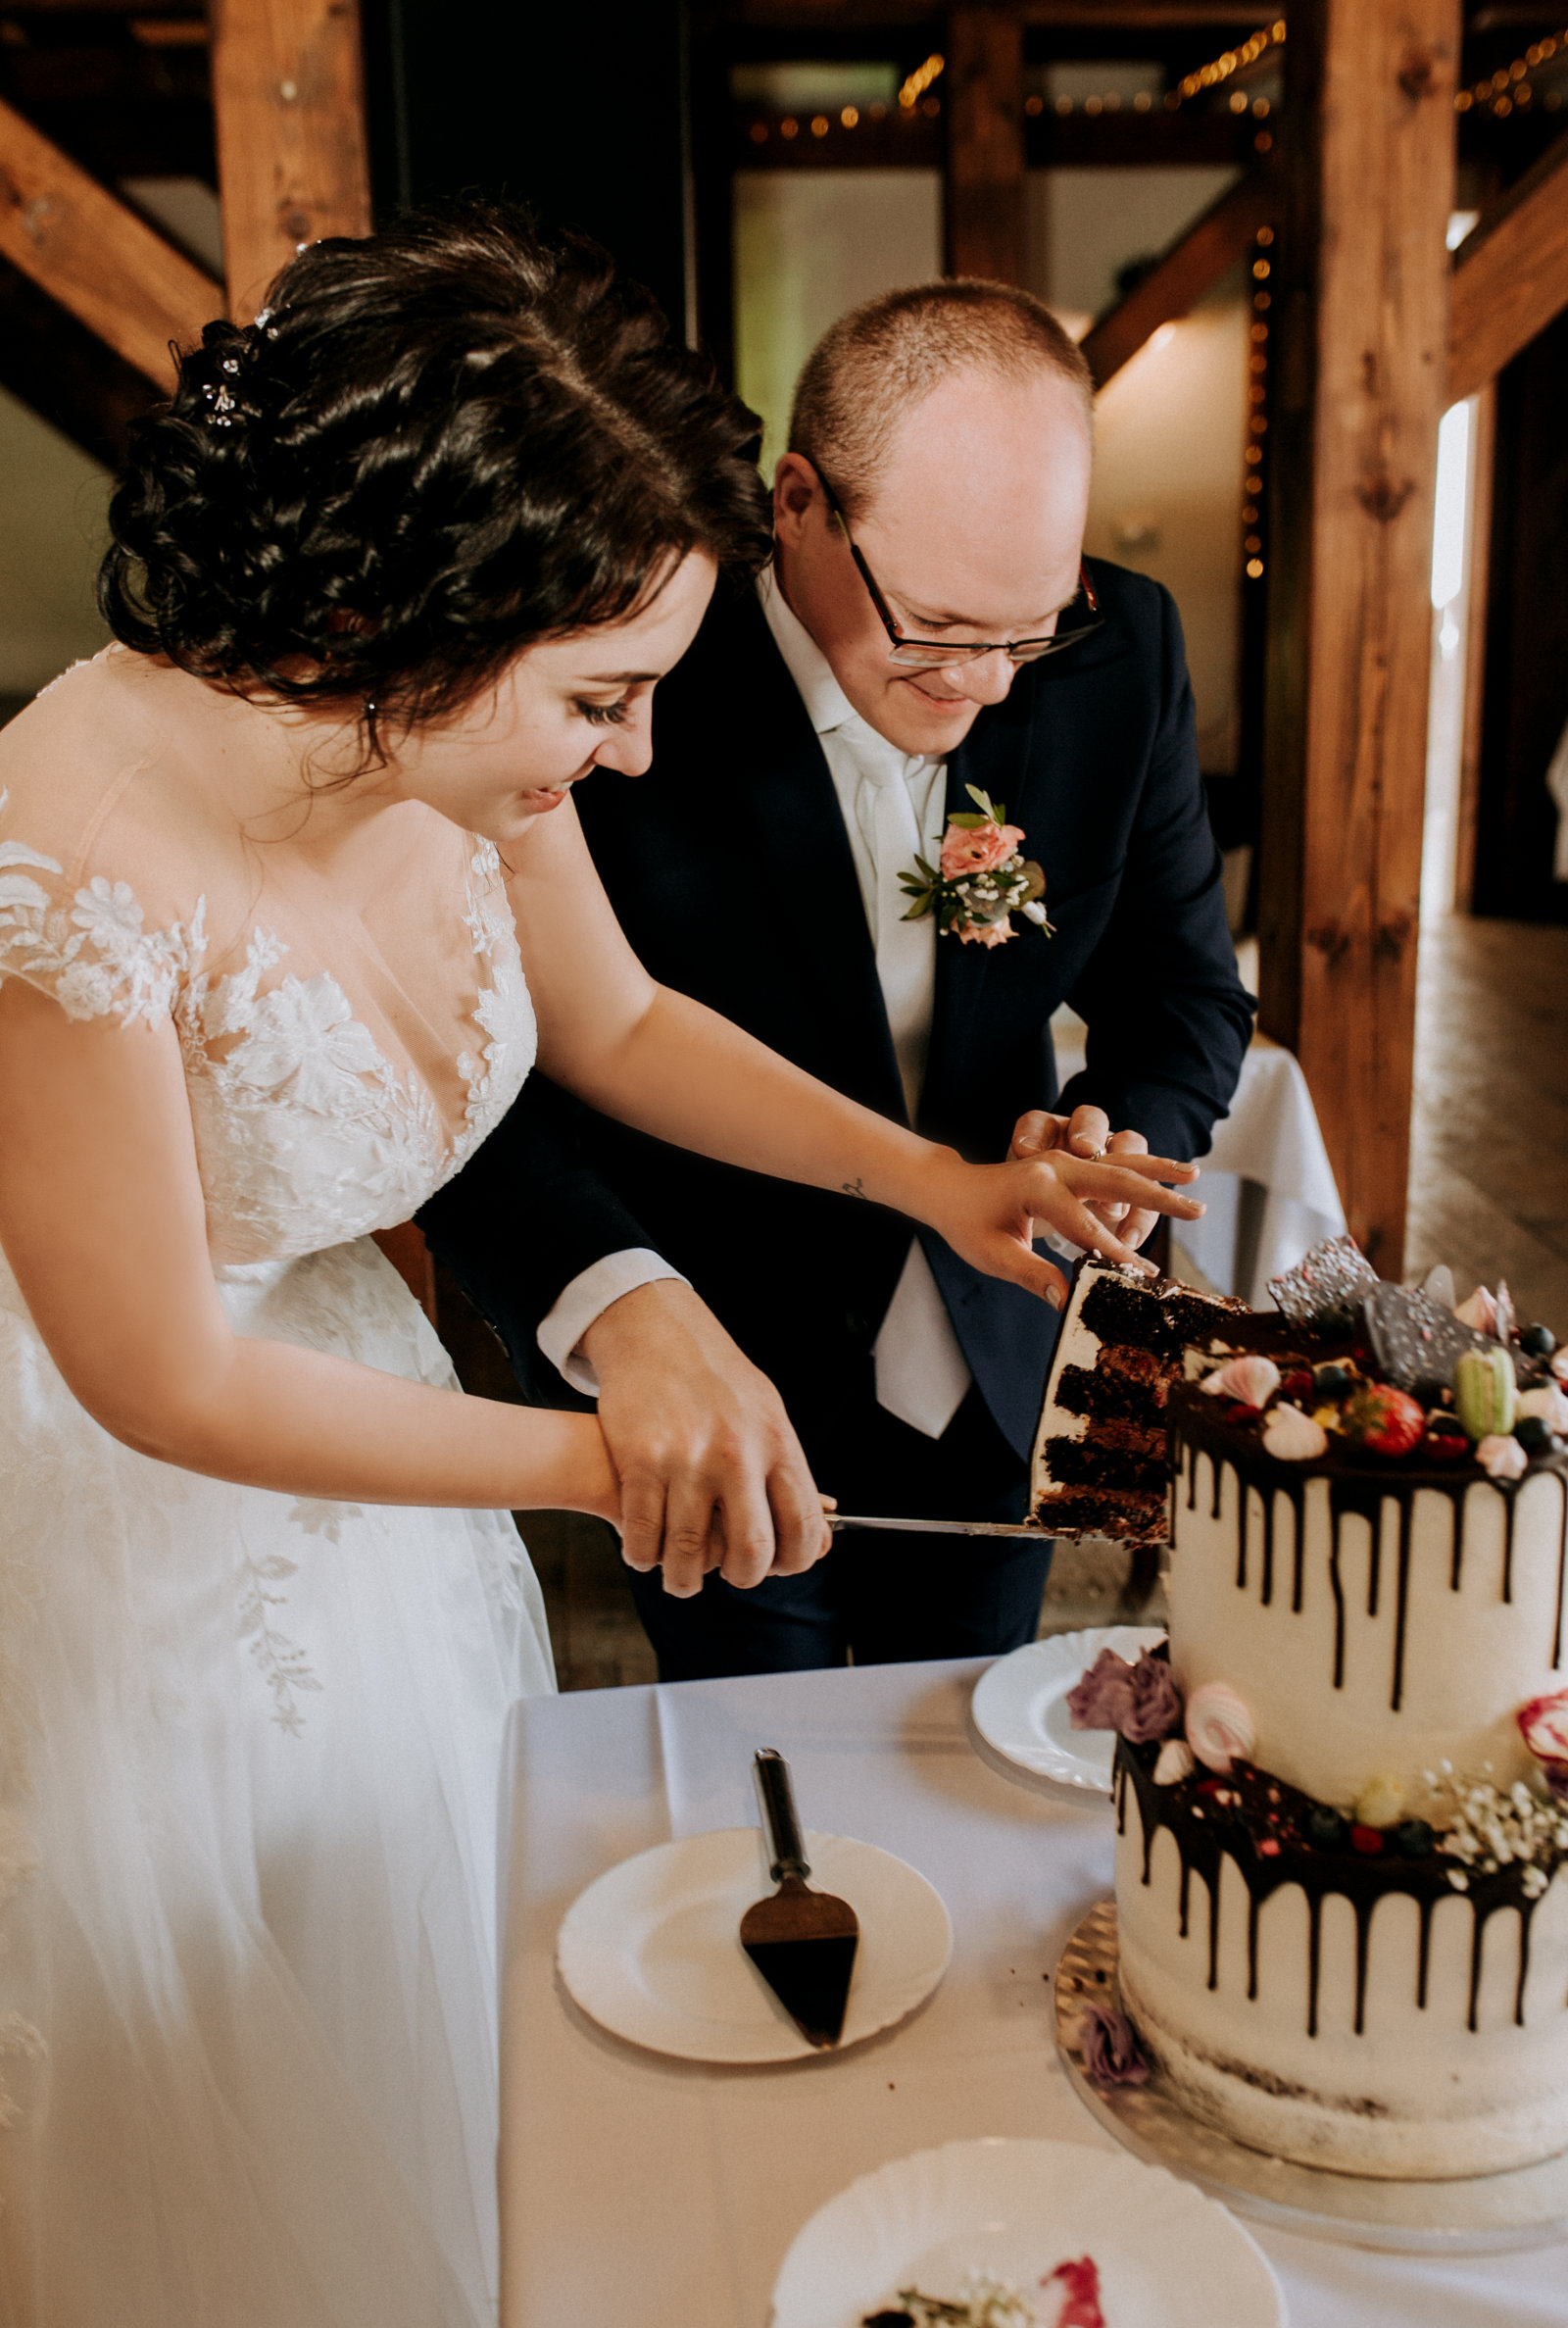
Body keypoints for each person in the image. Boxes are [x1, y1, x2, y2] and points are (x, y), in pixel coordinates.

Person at [0, 212, 1201, 2324]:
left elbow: (620, 1022)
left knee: (433, 2006)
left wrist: (928, 1179)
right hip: (137, 1511)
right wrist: (599, 1456)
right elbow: (160, 1378)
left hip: (371, 1468)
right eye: (604, 700)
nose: (634, 754)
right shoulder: (67, 860)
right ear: (396, 617)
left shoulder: (454, 718)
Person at [422, 279, 1254, 1681]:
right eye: (935, 626)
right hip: (720, 1349)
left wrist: (1116, 1139)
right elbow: (511, 1055)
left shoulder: (1123, 653)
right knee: (758, 1768)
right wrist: (620, 1300)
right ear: (800, 503)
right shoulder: (620, 674)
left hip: (1003, 1349)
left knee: (973, 1736)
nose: (988, 684)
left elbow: (1185, 993)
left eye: (1030, 628)